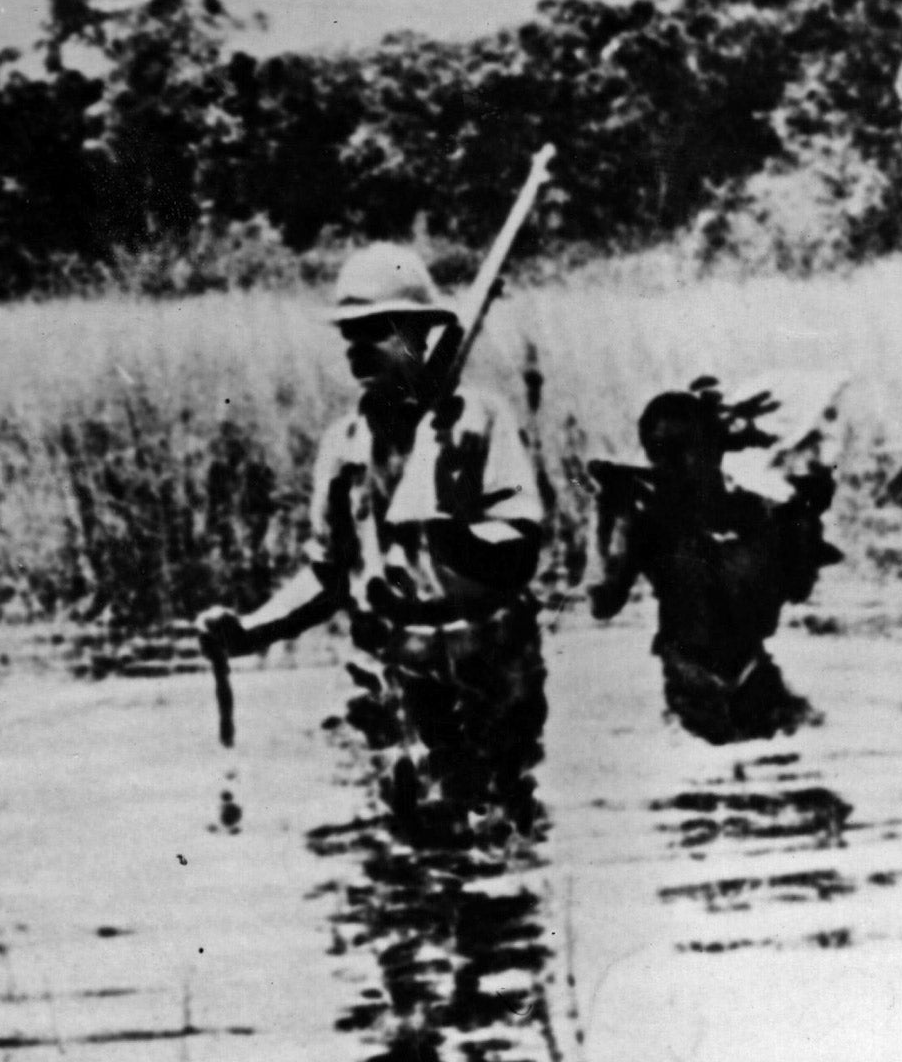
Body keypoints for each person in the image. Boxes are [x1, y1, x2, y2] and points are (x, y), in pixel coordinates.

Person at [196, 243, 548, 836]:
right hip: (392, 676)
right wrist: (251, 629)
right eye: (350, 335)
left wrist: (450, 529)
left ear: (421, 338)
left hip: (487, 674)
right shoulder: (344, 446)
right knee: (402, 846)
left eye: (378, 331)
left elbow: (519, 552)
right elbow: (328, 575)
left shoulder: (481, 423)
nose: (358, 347)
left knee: (495, 838)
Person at [586, 387, 835, 744]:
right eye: (661, 454)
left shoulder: (761, 513)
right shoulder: (648, 524)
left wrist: (805, 521)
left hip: (757, 681)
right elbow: (603, 601)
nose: (672, 465)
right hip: (689, 689)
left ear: (716, 450)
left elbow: (798, 589)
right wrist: (610, 516)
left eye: (684, 450)